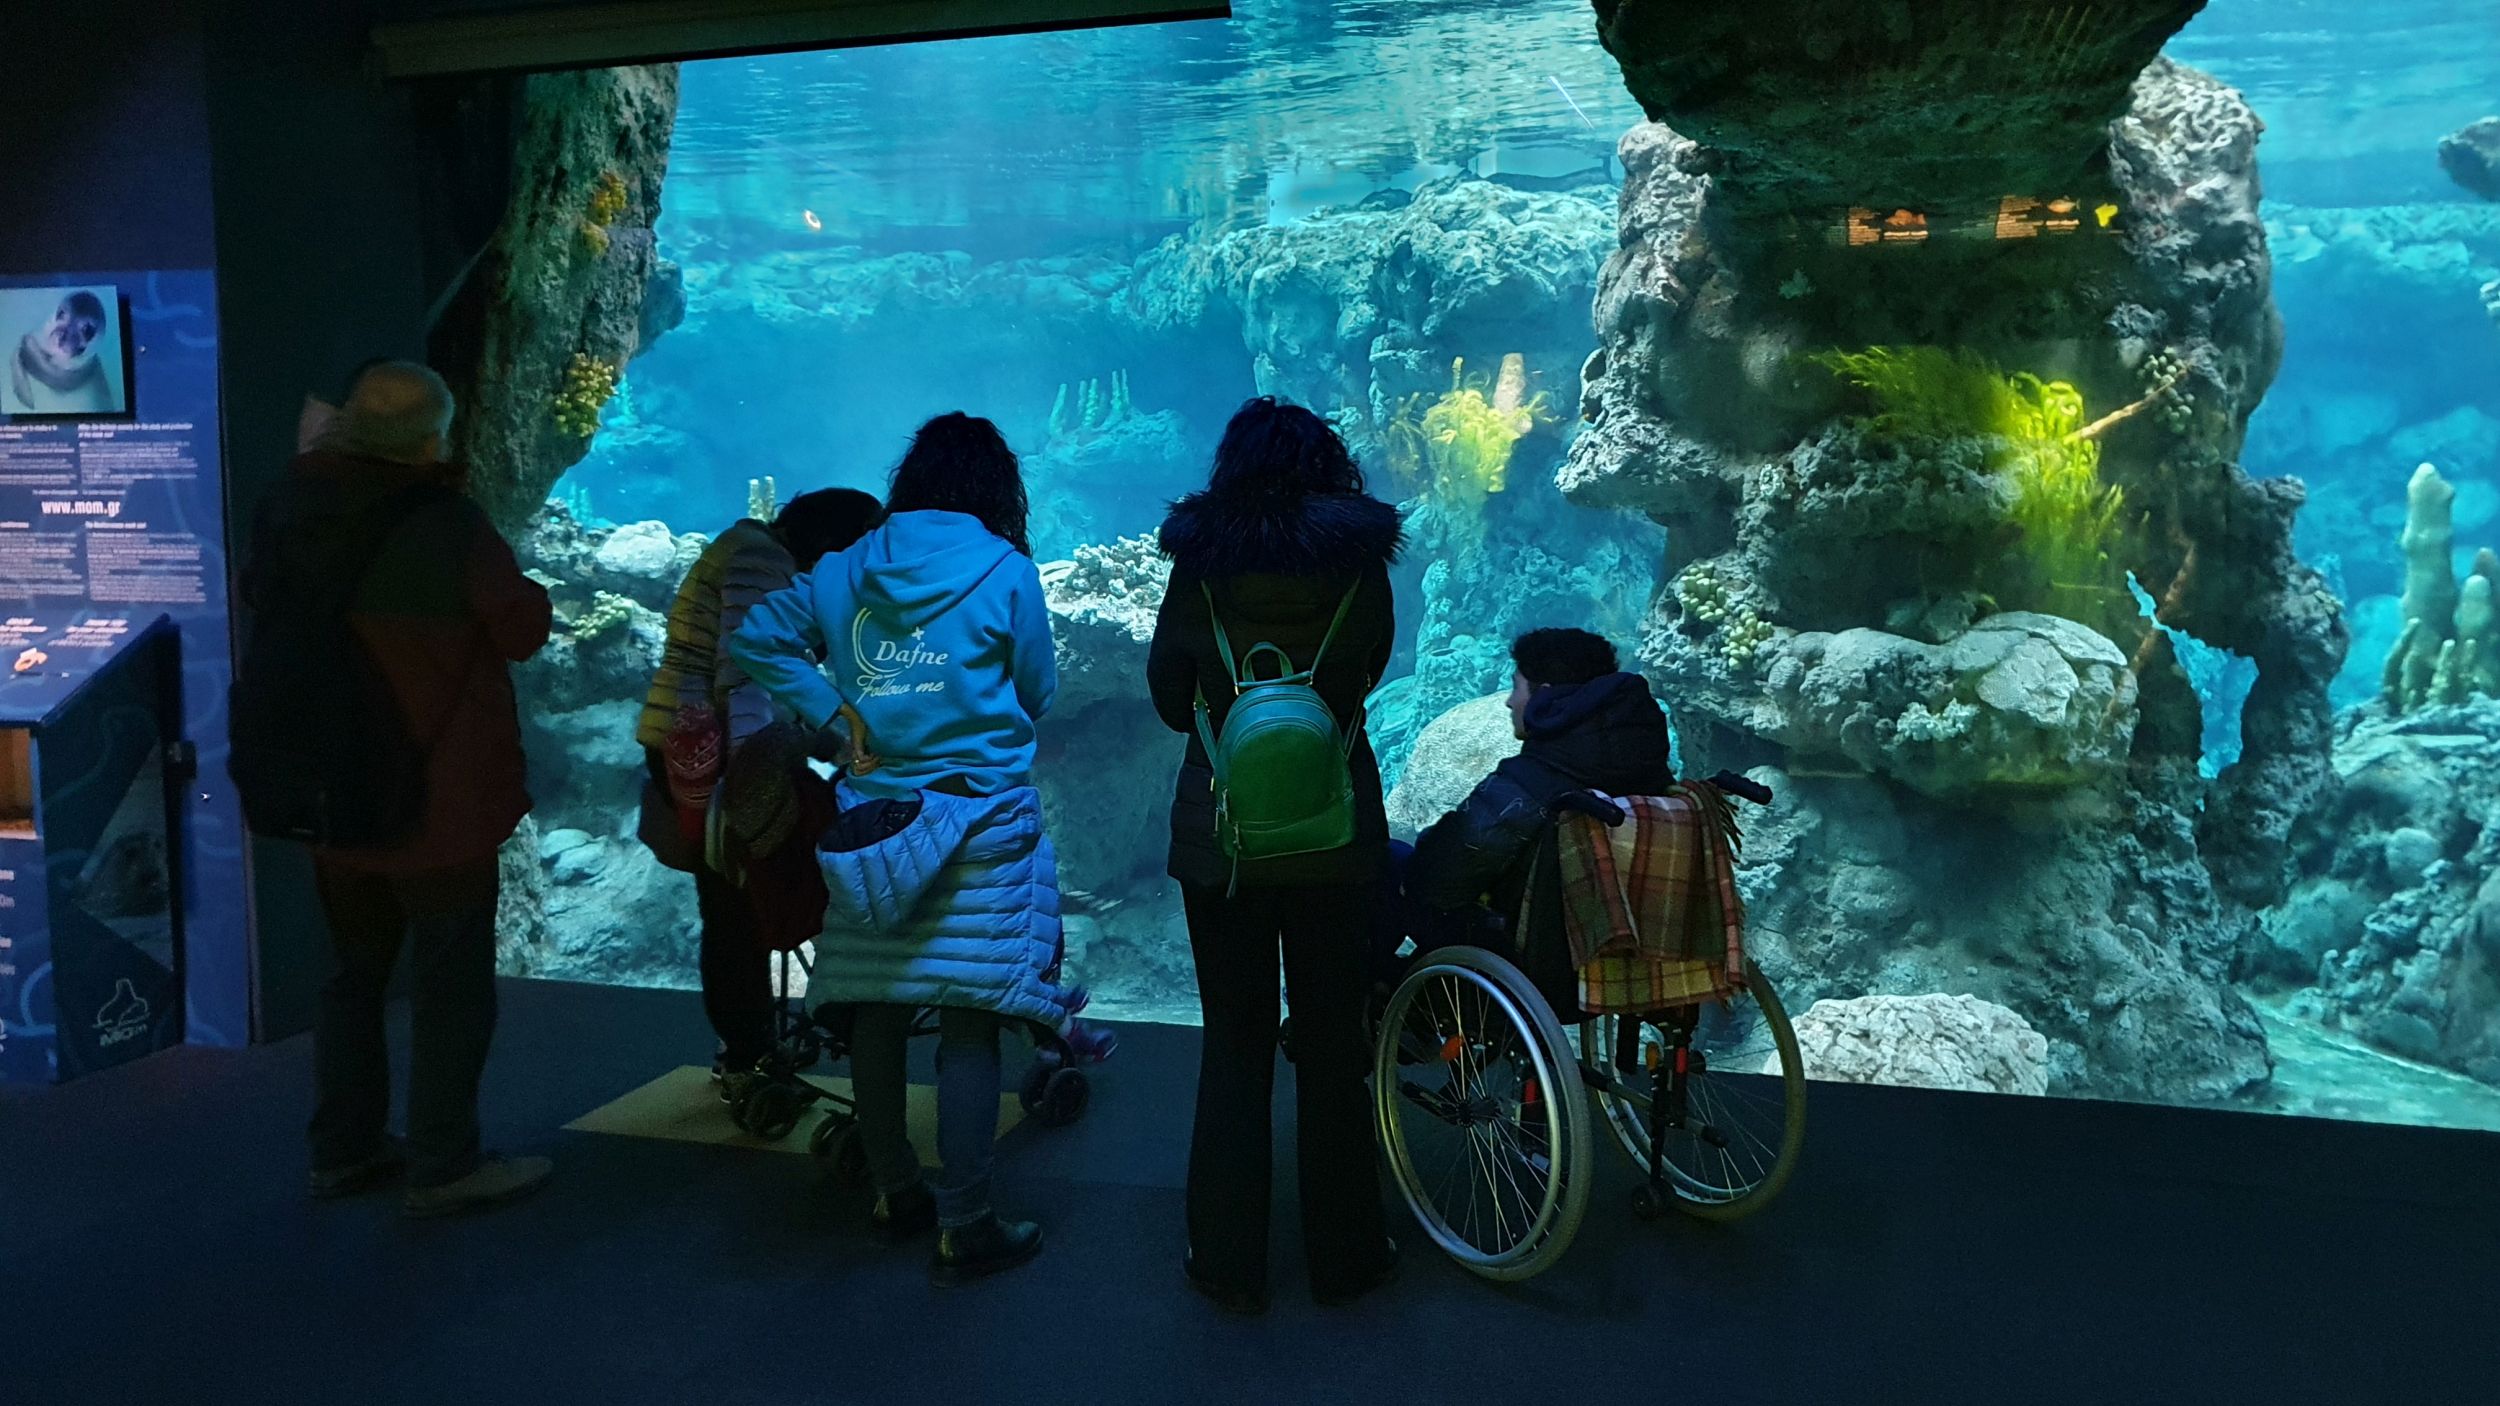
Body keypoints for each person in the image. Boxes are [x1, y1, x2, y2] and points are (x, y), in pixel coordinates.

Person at [727, 413, 1074, 1283]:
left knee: (875, 1013)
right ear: (997, 489)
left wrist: (838, 715)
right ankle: (969, 1221)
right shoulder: (1008, 570)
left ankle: (895, 1191)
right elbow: (1038, 687)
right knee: (968, 1022)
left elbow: (760, 637)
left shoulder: (845, 568)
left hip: (872, 827)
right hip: (981, 823)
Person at [241, 361, 555, 1217]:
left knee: (352, 975)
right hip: (437, 801)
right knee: (452, 982)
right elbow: (521, 628)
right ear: (432, 438)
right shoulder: (446, 524)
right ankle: (444, 1162)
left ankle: (342, 1150)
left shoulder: (285, 508)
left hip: (329, 793)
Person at [1147, 397, 1403, 1315]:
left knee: (1236, 1042)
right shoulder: (1360, 566)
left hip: (1223, 843)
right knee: (1334, 1043)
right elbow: (1369, 672)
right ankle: (1347, 1257)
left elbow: (1171, 700)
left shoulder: (1200, 569)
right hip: (1335, 837)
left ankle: (1226, 1258)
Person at [636, 487, 883, 1101]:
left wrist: (818, 738)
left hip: (704, 749)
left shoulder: (754, 553)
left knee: (733, 907)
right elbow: (746, 672)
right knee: (735, 908)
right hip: (713, 756)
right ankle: (748, 1057)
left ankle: (746, 1052)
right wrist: (760, 771)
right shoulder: (758, 559)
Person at [1402, 628, 1675, 1009]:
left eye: (1517, 688)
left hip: (1545, 970)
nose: (1509, 703)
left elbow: (1442, 873)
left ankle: (1400, 1011)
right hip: (1643, 955)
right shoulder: (1653, 777)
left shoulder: (1535, 779)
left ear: (1544, 696)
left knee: (1394, 866)